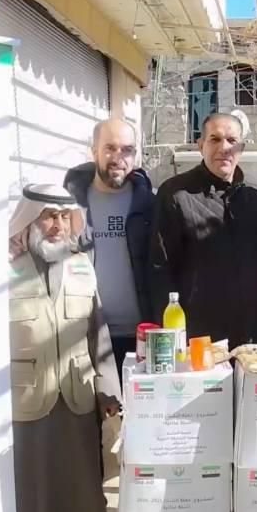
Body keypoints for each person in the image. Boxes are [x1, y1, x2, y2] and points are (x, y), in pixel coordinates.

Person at [7, 184, 121, 512]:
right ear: (29, 220)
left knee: (79, 487)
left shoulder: (82, 265)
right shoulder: (4, 269)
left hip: (77, 394)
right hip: (25, 400)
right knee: (32, 489)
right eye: (48, 217)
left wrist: (108, 389)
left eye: (63, 217)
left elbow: (98, 331)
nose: (58, 226)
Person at [149, 113, 257, 347]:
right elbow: (160, 268)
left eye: (232, 141)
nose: (224, 148)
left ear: (242, 148)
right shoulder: (175, 194)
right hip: (198, 334)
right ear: (200, 145)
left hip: (251, 333)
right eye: (215, 139)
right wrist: (170, 336)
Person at [63, 118, 154, 382]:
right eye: (110, 148)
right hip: (83, 338)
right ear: (94, 151)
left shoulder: (152, 205)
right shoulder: (67, 206)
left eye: (127, 150)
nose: (118, 158)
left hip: (142, 339)